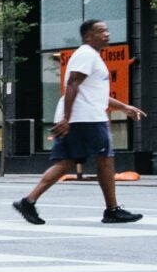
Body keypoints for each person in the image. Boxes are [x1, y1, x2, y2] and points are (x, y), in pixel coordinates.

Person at [15, 17, 147, 225]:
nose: (107, 34)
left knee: (66, 161)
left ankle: (28, 201)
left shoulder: (91, 56)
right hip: (85, 118)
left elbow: (93, 92)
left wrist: (124, 107)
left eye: (107, 30)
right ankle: (112, 210)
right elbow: (72, 85)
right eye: (101, 31)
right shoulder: (86, 55)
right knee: (105, 160)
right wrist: (67, 119)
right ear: (88, 36)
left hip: (81, 116)